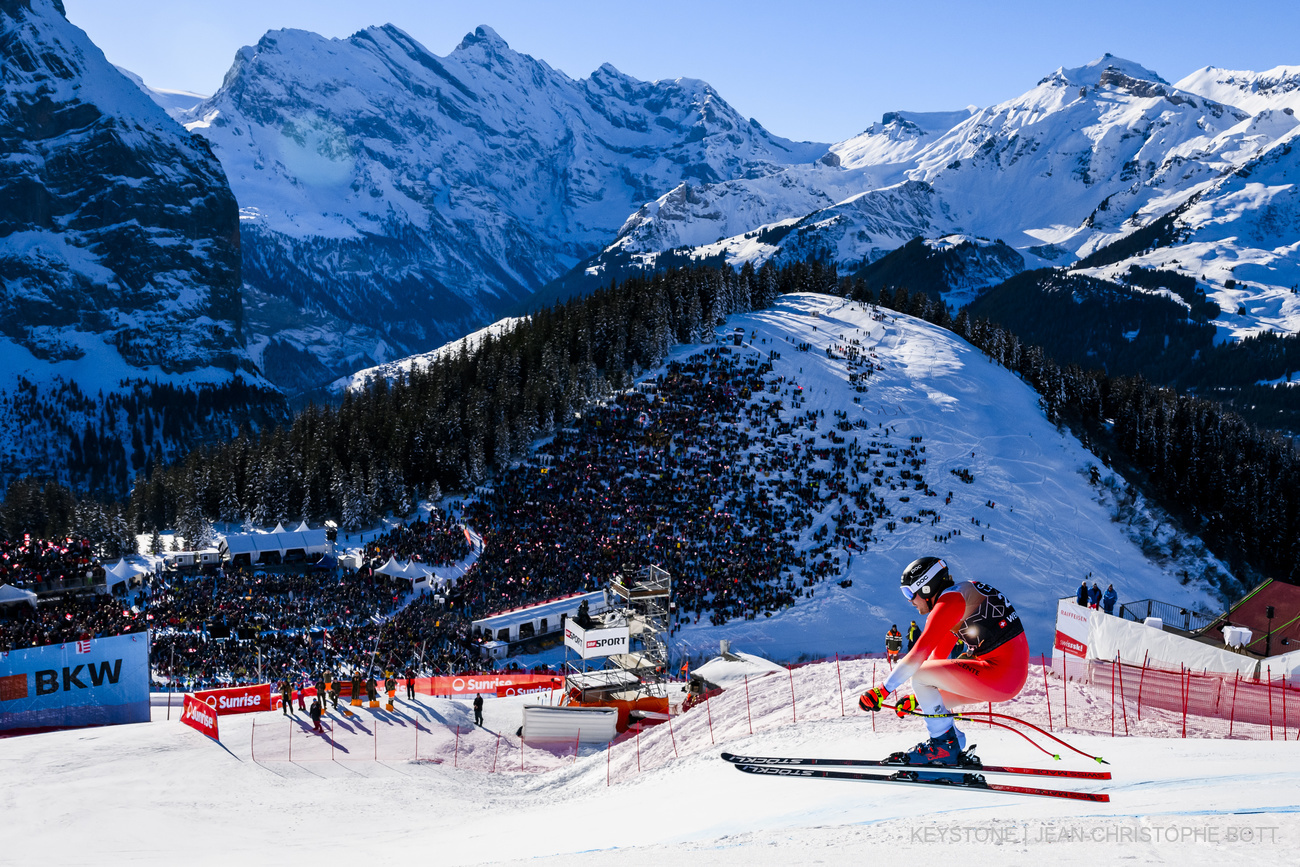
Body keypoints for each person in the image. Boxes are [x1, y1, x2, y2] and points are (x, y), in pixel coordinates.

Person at [858, 556, 1029, 766]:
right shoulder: (960, 597)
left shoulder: (949, 602)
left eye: (909, 592)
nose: (909, 600)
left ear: (927, 588)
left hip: (999, 675)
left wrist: (882, 691)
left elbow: (918, 656)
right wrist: (917, 698)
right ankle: (954, 741)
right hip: (1005, 677)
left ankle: (943, 746)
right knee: (925, 680)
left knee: (919, 674)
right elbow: (936, 661)